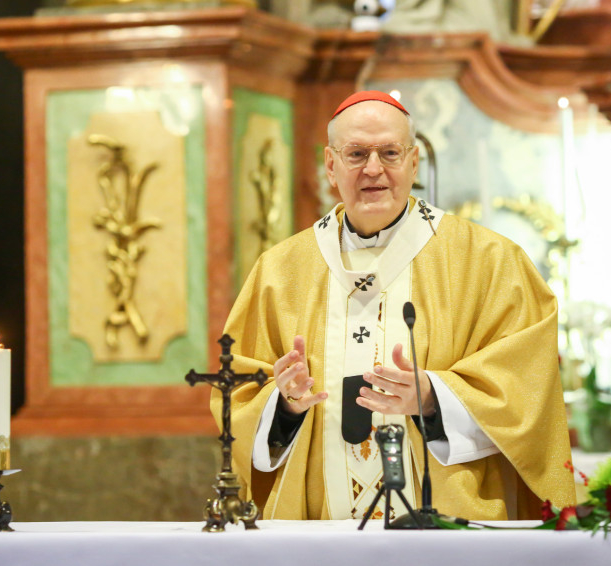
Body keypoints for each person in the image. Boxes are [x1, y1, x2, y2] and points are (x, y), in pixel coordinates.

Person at [210, 90, 575, 521]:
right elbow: (237, 396)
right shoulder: (280, 271)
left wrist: (435, 398)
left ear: (413, 162)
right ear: (330, 165)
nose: (373, 169)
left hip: (444, 525)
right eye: (356, 153)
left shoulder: (489, 262)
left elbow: (527, 387)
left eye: (389, 153)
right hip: (317, 526)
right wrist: (284, 406)